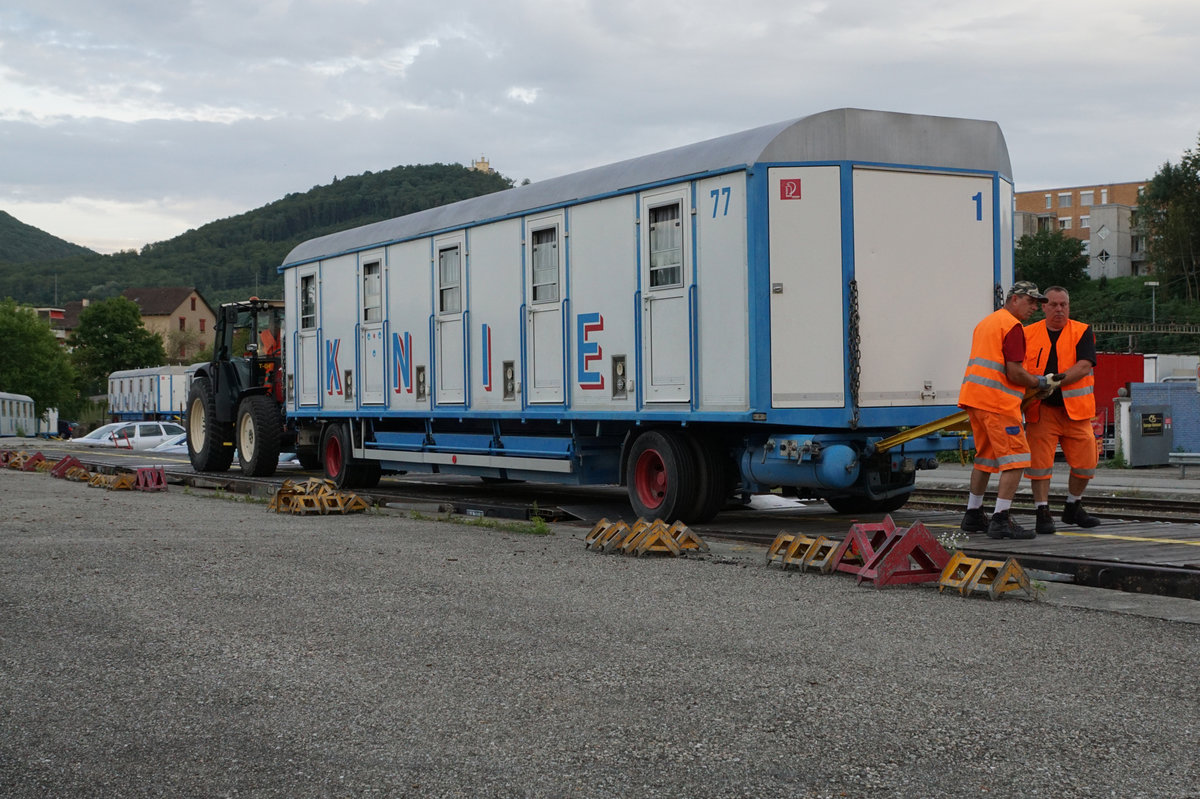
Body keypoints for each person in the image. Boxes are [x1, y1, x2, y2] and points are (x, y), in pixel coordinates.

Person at [958, 281, 1064, 539]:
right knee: (1016, 459)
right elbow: (1014, 371)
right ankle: (1001, 519)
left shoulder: (987, 322)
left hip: (976, 399)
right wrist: (1039, 382)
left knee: (985, 459)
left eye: (1038, 303)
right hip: (998, 403)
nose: (1035, 308)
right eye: (1031, 302)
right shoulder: (1013, 327)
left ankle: (973, 514)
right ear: (1014, 299)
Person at [1022, 286, 1100, 533]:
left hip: (1075, 411)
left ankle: (1073, 506)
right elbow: (1018, 368)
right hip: (1041, 409)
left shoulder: (1082, 331)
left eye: (1063, 305)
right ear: (1043, 307)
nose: (1058, 309)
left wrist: (1056, 381)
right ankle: (1042, 511)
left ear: (1069, 306)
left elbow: (1084, 365)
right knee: (1040, 465)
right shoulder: (1027, 334)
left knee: (1087, 463)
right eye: (1053, 304)